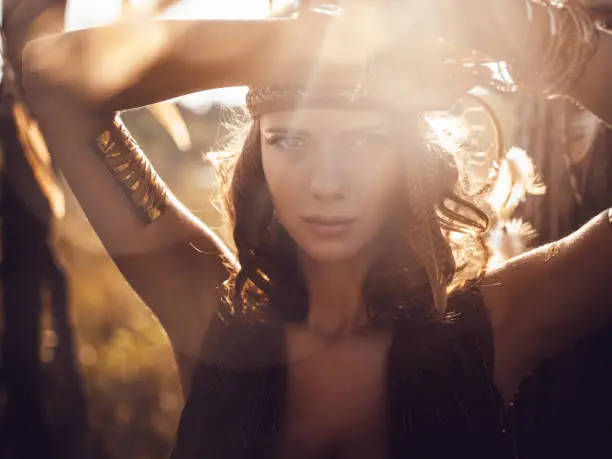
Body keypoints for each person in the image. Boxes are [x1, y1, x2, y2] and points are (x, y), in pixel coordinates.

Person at [19, 1, 612, 458]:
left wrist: (532, 35)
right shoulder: (207, 310)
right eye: (291, 140)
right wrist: (309, 40)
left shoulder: (498, 325)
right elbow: (52, 78)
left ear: (408, 158)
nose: (327, 182)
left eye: (364, 141)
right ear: (258, 157)